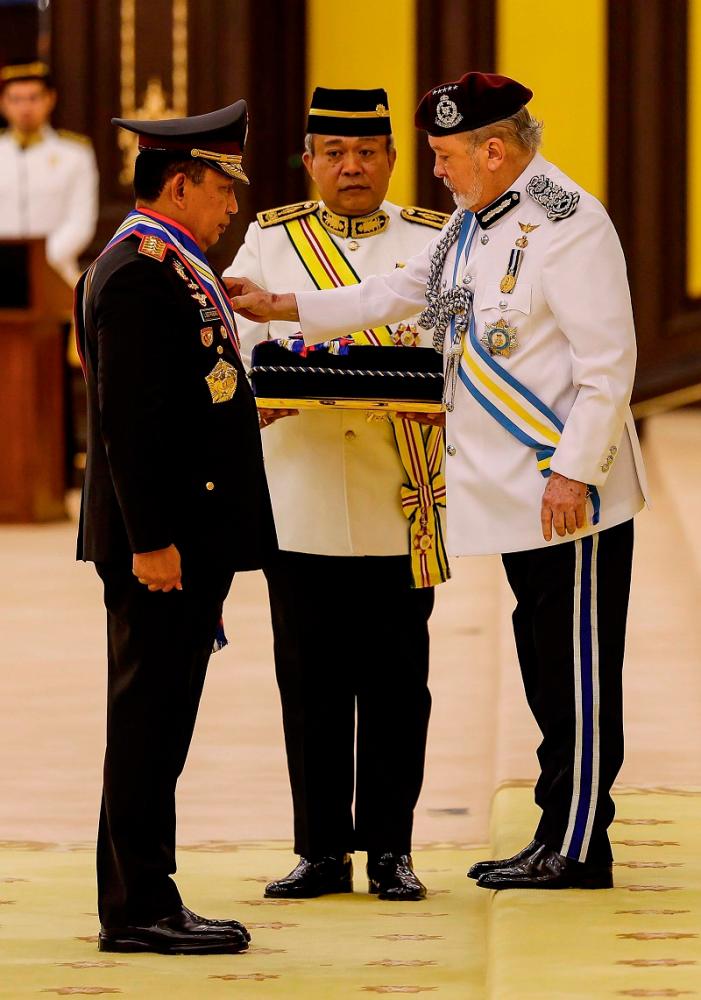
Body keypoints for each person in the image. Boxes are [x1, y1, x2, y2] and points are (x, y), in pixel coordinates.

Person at [228, 71, 649, 891]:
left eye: (446, 155)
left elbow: (609, 367)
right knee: (544, 672)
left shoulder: (568, 221)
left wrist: (572, 474)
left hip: (566, 493)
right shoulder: (471, 221)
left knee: (577, 676)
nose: (437, 171)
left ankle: (576, 846)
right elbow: (401, 290)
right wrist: (281, 305)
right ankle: (552, 832)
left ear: (494, 150)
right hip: (519, 497)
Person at [225, 87, 450, 902]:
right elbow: (244, 332)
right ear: (310, 161)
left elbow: (449, 339)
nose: (351, 168)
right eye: (334, 154)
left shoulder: (434, 239)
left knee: (398, 682)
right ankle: (320, 850)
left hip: (401, 491)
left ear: (390, 159)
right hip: (303, 488)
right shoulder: (268, 237)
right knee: (308, 679)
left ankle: (391, 848)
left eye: (367, 153)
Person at [75, 101, 277, 954]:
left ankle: (139, 894)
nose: (233, 205)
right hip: (161, 545)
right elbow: (127, 423)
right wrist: (154, 540)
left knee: (159, 719)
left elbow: (183, 396)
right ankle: (138, 907)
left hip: (185, 535)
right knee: (149, 722)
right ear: (184, 181)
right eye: (225, 186)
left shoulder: (172, 266)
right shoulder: (137, 273)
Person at [0, 61, 98, 285]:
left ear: (50, 99)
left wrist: (39, 260)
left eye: (33, 98)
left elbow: (80, 221)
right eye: (16, 99)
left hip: (56, 272)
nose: (25, 108)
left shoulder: (75, 154)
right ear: (3, 103)